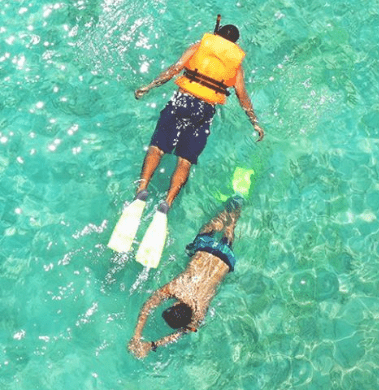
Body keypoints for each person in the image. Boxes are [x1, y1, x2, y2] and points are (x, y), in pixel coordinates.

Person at [133, 20, 264, 213]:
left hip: (182, 100)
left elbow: (174, 70)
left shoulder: (197, 48)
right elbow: (242, 95)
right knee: (185, 160)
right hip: (204, 110)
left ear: (216, 35)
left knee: (157, 148)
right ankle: (167, 202)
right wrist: (254, 122)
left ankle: (141, 189)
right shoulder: (236, 66)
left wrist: (149, 86)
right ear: (234, 44)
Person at [127, 196, 243, 359]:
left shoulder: (199, 312)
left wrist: (149, 342)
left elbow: (184, 332)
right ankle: (229, 209)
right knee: (208, 228)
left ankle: (235, 212)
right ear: (175, 304)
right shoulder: (177, 288)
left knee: (229, 232)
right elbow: (149, 304)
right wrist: (137, 337)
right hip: (205, 249)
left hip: (224, 260)